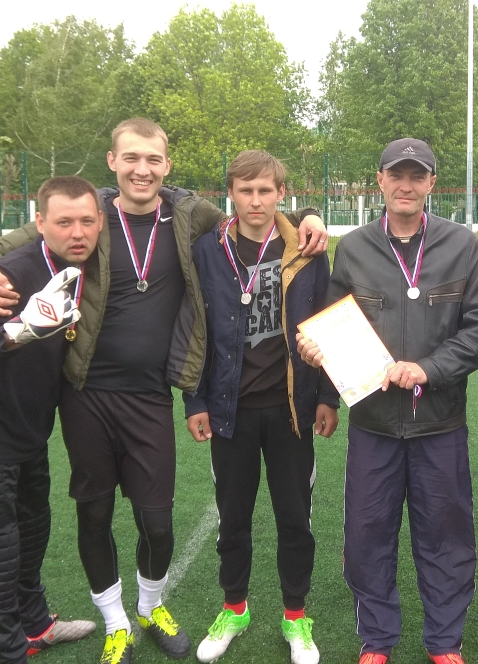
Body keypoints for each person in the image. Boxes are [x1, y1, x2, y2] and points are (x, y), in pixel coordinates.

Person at [0, 118, 329, 664]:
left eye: (152, 159)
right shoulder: (92, 213)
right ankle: (122, 620)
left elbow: (265, 218)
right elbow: (26, 237)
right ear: (113, 161)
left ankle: (163, 608)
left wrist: (309, 215)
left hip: (162, 395)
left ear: (167, 164)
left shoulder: (192, 215)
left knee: (163, 519)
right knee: (98, 513)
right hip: (89, 392)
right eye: (131, 158)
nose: (142, 169)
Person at [297, 138, 478, 664]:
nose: (406, 185)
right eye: (397, 175)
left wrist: (429, 369)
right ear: (380, 180)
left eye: (417, 176)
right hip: (374, 426)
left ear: (432, 183)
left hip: (440, 424)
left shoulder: (461, 245)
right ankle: (377, 640)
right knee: (367, 536)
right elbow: (333, 323)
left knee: (447, 537)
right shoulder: (355, 248)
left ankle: (445, 642)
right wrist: (319, 354)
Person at [184, 150, 339, 664]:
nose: (255, 200)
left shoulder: (306, 248)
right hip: (230, 409)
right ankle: (235, 608)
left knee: (295, 519)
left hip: (292, 409)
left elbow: (326, 321)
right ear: (230, 192)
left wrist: (328, 396)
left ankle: (296, 617)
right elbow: (195, 327)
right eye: (245, 190)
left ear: (281, 193)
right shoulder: (208, 250)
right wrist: (195, 398)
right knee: (233, 520)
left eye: (265, 190)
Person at [0, 176, 103, 664]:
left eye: (87, 221)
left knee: (31, 540)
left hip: (29, 437)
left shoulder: (77, 268)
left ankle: (36, 625)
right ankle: (8, 653)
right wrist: (18, 331)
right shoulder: (13, 272)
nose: (78, 232)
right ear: (40, 223)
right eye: (64, 222)